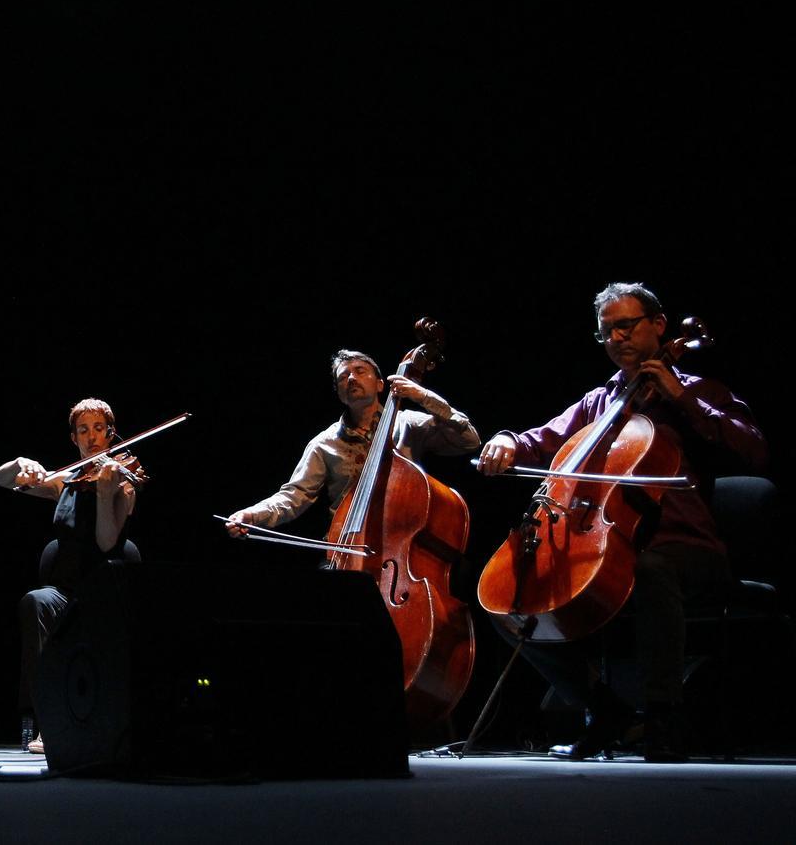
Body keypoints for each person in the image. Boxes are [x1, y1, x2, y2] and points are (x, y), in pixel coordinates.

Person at [477, 282, 767, 761]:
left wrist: (681, 399)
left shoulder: (699, 390)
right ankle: (603, 710)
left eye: (626, 325)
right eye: (606, 331)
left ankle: (662, 718)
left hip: (685, 547)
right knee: (509, 597)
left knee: (652, 569)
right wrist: (508, 441)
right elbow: (543, 437)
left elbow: (754, 450)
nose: (617, 338)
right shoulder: (600, 401)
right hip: (607, 545)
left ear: (658, 325)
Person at [0, 397, 140, 755]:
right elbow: (1, 480)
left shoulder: (124, 484)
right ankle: (50, 720)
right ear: (74, 438)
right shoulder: (68, 481)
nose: (92, 438)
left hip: (107, 591)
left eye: (99, 429)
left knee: (87, 613)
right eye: (83, 430)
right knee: (37, 602)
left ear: (110, 434)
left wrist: (105, 496)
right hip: (66, 592)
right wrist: (20, 466)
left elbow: (107, 544)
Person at [224, 349, 481, 543]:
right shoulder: (324, 443)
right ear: (339, 393)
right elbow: (294, 496)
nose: (351, 378)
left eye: (360, 371)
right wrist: (252, 514)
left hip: (402, 541)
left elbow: (469, 440)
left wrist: (423, 396)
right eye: (343, 376)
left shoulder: (408, 424)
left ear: (381, 384)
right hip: (346, 546)